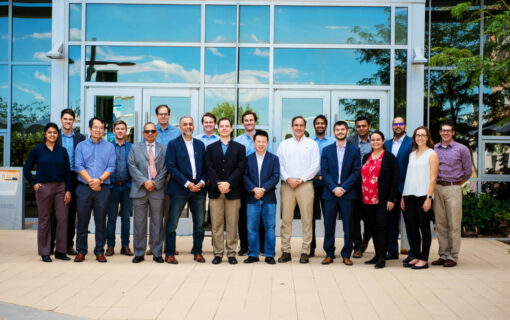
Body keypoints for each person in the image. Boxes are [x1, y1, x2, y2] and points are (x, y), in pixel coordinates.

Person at [23, 123, 72, 262]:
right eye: (49, 132)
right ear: (45, 134)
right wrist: (34, 184)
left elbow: (67, 172)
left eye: (55, 132)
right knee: (44, 220)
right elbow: (26, 169)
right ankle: (45, 251)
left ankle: (61, 251)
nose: (52, 135)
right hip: (43, 187)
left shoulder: (62, 151)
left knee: (62, 218)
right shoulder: (37, 150)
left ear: (58, 135)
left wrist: (68, 189)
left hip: (60, 188)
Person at [277, 116, 320, 264]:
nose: (299, 128)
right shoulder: (284, 144)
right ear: (292, 127)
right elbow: (279, 164)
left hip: (305, 185)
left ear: (305, 127)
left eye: (301, 125)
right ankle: (286, 251)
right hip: (287, 185)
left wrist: (301, 179)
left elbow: (315, 166)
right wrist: (288, 178)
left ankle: (305, 251)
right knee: (286, 220)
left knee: (307, 219)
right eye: (296, 125)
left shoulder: (312, 144)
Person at [165, 116, 207, 264]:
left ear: (194, 126)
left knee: (199, 223)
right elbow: (171, 167)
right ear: (180, 127)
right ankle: (169, 253)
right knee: (172, 223)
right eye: (184, 124)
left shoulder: (200, 145)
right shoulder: (173, 144)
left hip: (199, 190)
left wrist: (201, 182)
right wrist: (187, 183)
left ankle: (198, 252)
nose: (188, 127)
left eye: (190, 124)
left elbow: (205, 167)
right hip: (179, 189)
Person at [74, 117, 116, 263]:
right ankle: (81, 251)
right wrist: (91, 181)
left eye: (101, 127)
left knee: (100, 222)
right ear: (90, 128)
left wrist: (99, 180)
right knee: (82, 222)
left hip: (102, 188)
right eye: (96, 127)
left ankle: (99, 251)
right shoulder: (81, 146)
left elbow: (111, 167)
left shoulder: (109, 147)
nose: (98, 130)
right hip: (84, 188)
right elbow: (78, 165)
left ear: (104, 130)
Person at [205, 117, 247, 265]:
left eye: (226, 126)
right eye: (221, 126)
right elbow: (209, 168)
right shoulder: (210, 148)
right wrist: (219, 184)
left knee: (232, 224)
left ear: (231, 129)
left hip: (233, 191)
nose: (224, 128)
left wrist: (229, 183)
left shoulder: (239, 148)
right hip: (216, 192)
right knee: (216, 225)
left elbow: (240, 168)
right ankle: (218, 253)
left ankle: (231, 253)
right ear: (218, 128)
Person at [432, 121, 472, 268]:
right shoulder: (434, 148)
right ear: (440, 132)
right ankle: (443, 254)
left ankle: (453, 256)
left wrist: (456, 184)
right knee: (440, 223)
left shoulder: (461, 149)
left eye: (448, 131)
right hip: (437, 187)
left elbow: (468, 172)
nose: (445, 133)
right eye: (443, 131)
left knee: (454, 223)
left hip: (453, 188)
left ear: (453, 132)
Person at [320, 121, 361, 266]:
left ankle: (346, 254)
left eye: (343, 129)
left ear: (347, 131)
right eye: (337, 130)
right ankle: (329, 253)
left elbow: (356, 171)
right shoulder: (326, 150)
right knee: (329, 225)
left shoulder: (354, 150)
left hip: (347, 194)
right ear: (334, 132)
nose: (340, 132)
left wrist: (343, 188)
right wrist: (333, 188)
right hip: (330, 194)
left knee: (348, 226)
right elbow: (324, 171)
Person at [129, 122, 168, 263]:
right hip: (139, 189)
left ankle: (157, 252)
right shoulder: (134, 147)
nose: (150, 133)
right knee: (139, 223)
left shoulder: (164, 148)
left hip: (157, 190)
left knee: (157, 222)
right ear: (143, 133)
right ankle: (139, 253)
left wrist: (155, 182)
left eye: (153, 131)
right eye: (147, 131)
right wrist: (145, 181)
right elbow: (131, 166)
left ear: (156, 133)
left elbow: (165, 168)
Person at [401, 126, 438, 270]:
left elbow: (433, 177)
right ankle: (416, 255)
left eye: (423, 135)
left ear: (428, 137)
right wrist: (403, 196)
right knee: (411, 228)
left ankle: (424, 259)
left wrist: (429, 197)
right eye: (418, 135)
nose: (420, 137)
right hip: (409, 195)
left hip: (424, 195)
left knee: (424, 228)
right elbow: (409, 177)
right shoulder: (412, 154)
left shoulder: (432, 154)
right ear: (414, 138)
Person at [361, 131, 399, 269]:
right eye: (373, 140)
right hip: (367, 200)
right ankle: (377, 255)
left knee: (382, 228)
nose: (375, 142)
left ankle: (382, 257)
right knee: (372, 228)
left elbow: (395, 179)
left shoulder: (389, 158)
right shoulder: (366, 157)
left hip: (382, 200)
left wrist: (391, 198)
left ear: (383, 141)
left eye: (378, 139)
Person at [147, 104, 180, 255]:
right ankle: (152, 245)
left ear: (169, 115)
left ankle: (168, 246)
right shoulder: (151, 131)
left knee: (168, 212)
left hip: (170, 177)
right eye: (160, 114)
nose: (163, 116)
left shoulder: (176, 132)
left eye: (166, 114)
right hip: (153, 177)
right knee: (155, 212)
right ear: (156, 116)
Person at [243, 130, 280, 264]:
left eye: (263, 142)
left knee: (270, 227)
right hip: (252, 198)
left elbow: (276, 176)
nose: (261, 144)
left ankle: (269, 254)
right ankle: (253, 254)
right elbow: (244, 176)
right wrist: (254, 189)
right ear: (254, 143)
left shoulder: (274, 158)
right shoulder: (248, 159)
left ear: (267, 143)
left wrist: (263, 189)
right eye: (258, 141)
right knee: (252, 227)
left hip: (269, 197)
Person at [52, 108, 85, 256]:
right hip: (57, 177)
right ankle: (52, 243)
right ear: (61, 120)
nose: (68, 121)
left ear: (74, 121)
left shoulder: (81, 138)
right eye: (65, 119)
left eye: (70, 119)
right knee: (55, 212)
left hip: (74, 176)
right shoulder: (54, 135)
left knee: (71, 213)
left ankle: (68, 245)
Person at [234, 110, 266, 256]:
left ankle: (261, 246)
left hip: (260, 181)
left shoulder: (262, 138)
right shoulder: (238, 140)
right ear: (242, 123)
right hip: (243, 181)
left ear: (255, 122)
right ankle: (244, 246)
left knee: (260, 214)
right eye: (246, 120)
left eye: (251, 120)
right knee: (243, 215)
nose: (248, 122)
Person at [383, 117, 413, 262]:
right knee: (391, 222)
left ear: (405, 126)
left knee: (410, 221)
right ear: (392, 126)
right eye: (395, 124)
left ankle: (413, 252)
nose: (398, 126)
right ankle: (392, 250)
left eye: (400, 124)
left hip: (406, 188)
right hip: (390, 189)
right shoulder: (387, 143)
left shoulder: (411, 143)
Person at [106, 120, 133, 257]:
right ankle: (110, 246)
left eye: (123, 128)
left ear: (126, 131)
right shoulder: (107, 147)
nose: (120, 131)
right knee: (111, 218)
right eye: (118, 128)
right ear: (114, 131)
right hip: (112, 187)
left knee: (126, 218)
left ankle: (125, 246)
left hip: (127, 187)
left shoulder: (132, 147)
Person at [347, 116, 372, 258]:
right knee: (354, 217)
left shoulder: (375, 140)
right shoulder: (350, 141)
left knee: (370, 216)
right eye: (358, 126)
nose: (361, 128)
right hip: (354, 184)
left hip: (371, 184)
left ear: (368, 126)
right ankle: (357, 247)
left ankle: (365, 239)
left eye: (364, 126)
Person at [310, 115, 335, 257]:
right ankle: (311, 247)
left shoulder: (332, 142)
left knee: (329, 217)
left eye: (322, 123)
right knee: (310, 217)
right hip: (311, 182)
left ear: (326, 126)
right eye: (318, 123)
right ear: (314, 126)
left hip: (327, 183)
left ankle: (329, 249)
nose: (320, 125)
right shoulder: (308, 142)